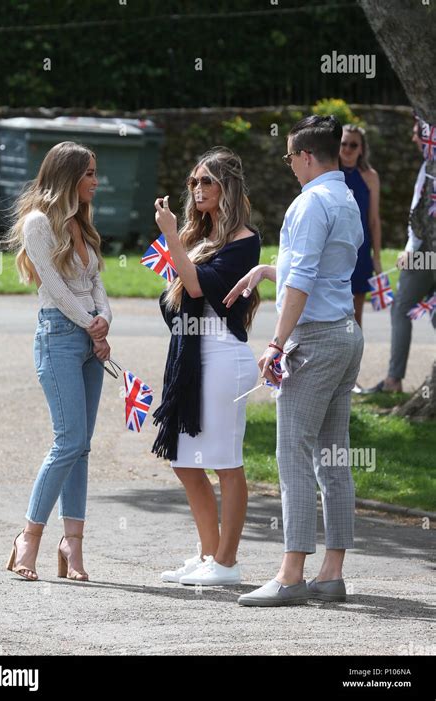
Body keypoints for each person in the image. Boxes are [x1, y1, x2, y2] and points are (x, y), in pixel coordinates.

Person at [224, 116, 364, 606]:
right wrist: (267, 269)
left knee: (294, 455)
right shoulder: (346, 198)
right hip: (347, 334)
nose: (289, 167)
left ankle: (290, 575)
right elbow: (321, 267)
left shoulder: (308, 203)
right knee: (333, 456)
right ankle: (331, 572)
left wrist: (276, 343)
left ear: (305, 156)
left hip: (315, 338)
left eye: (289, 158)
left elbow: (304, 280)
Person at [151, 147, 261, 586]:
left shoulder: (244, 240)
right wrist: (180, 244)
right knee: (184, 460)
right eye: (194, 182)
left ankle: (227, 563)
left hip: (223, 359)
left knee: (226, 462)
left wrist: (172, 238)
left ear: (227, 187)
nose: (198, 189)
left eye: (207, 182)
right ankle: (208, 555)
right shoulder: (197, 238)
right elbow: (175, 301)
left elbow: (197, 287)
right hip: (192, 358)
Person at [3, 141, 112, 582]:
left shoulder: (81, 225)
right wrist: (90, 323)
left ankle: (73, 544)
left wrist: (104, 318)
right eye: (88, 173)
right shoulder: (37, 224)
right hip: (60, 336)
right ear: (67, 176)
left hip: (89, 337)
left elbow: (96, 283)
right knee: (68, 440)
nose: (95, 181)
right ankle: (28, 537)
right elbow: (55, 286)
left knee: (82, 447)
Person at [365, 117, 436, 393]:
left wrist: (411, 249)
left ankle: (393, 380)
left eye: (416, 133)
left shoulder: (431, 168)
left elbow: (423, 214)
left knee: (401, 308)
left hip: (425, 250)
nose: (413, 138)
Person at [339, 125, 382, 327]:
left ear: (361, 149)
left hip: (360, 250)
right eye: (343, 143)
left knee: (356, 316)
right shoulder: (329, 173)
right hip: (335, 247)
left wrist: (377, 257)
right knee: (332, 311)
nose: (347, 148)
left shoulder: (370, 176)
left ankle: (355, 358)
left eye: (353, 144)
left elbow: (374, 220)